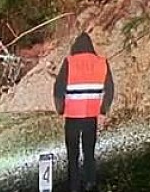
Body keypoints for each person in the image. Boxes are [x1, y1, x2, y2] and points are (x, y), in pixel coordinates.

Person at [53, 32, 115, 192]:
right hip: (91, 117)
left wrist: (60, 110)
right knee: (89, 151)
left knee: (72, 154)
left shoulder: (69, 62)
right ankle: (90, 182)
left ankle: (74, 186)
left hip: (72, 117)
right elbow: (110, 89)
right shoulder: (102, 62)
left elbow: (58, 88)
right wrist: (103, 109)